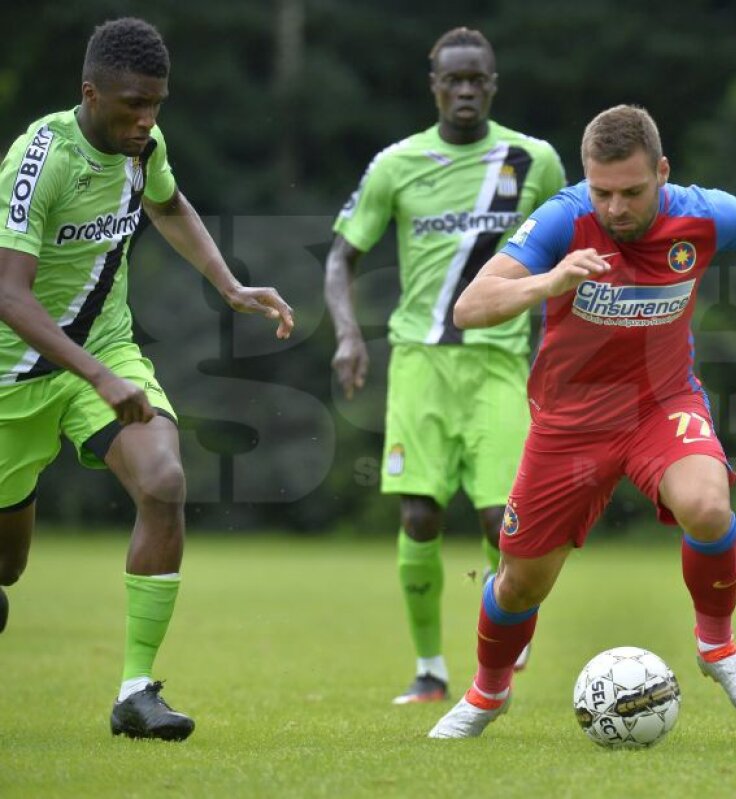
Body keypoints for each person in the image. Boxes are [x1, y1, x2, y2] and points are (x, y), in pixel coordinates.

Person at [428, 104, 736, 738]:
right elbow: (470, 308)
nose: (615, 209)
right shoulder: (562, 219)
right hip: (569, 423)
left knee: (708, 506)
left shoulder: (702, 214)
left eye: (632, 191)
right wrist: (548, 281)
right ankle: (486, 695)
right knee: (521, 585)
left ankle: (717, 647)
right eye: (602, 192)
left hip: (663, 406)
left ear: (662, 172)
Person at [0, 18, 294, 741]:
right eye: (132, 104)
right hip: (11, 377)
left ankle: (136, 691)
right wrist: (97, 375)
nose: (146, 120)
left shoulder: (145, 148)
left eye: (156, 104)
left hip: (103, 353)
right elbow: (9, 294)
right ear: (89, 92)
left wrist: (228, 285)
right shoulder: (39, 160)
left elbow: (167, 204)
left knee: (163, 482)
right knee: (7, 571)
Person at [324, 27, 566, 705]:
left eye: (477, 80)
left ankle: (504, 641)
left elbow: (571, 247)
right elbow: (343, 255)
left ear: (493, 84)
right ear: (433, 84)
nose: (465, 90)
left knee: (504, 522)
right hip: (420, 363)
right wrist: (348, 334)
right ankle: (430, 669)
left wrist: (565, 343)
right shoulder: (396, 165)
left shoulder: (533, 160)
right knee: (420, 517)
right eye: (453, 80)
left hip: (499, 362)